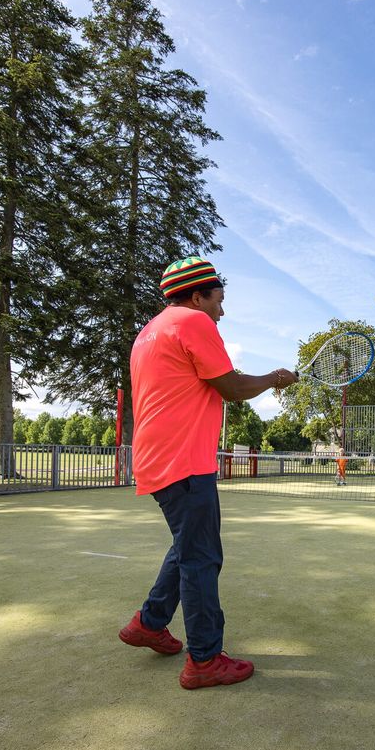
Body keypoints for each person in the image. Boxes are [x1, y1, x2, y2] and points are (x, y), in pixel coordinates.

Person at [118, 256, 299, 690]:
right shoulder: (194, 323)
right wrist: (275, 378)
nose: (222, 309)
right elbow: (232, 387)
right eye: (219, 299)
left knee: (188, 548)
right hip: (182, 460)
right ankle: (204, 660)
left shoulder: (151, 330)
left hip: (159, 457)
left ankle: (149, 623)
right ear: (197, 296)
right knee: (202, 557)